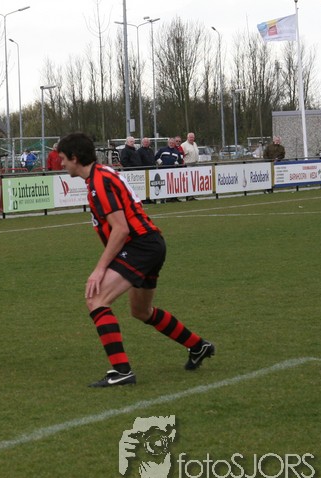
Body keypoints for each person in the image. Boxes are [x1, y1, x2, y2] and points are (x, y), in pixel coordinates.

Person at [56, 132, 215, 387]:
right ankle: (198, 346)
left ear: (75, 157)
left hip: (140, 245)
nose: (61, 163)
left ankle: (122, 372)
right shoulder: (101, 175)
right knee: (141, 311)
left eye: (63, 158)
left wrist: (99, 269)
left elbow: (121, 229)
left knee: (96, 299)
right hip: (150, 244)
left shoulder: (99, 182)